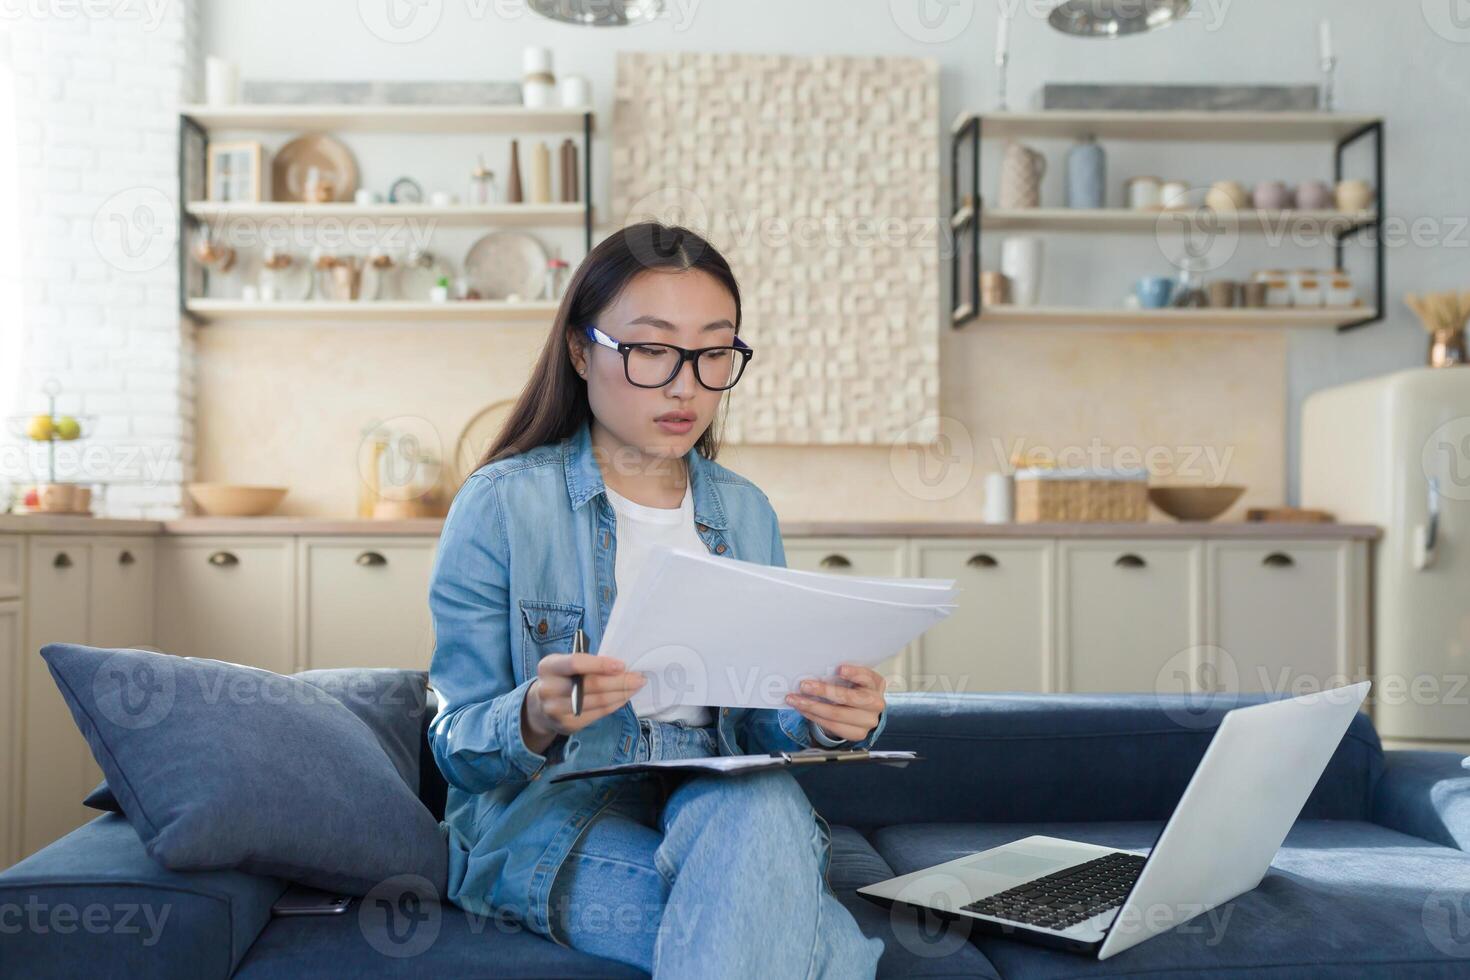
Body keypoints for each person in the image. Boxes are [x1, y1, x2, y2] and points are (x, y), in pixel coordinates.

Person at [427, 222, 889, 977]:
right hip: (559, 818)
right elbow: (456, 749)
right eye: (651, 350)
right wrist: (538, 713)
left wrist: (824, 715)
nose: (686, 384)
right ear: (582, 351)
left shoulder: (745, 513)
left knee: (765, 803)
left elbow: (759, 722)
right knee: (829, 953)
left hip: (725, 803)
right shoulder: (501, 504)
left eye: (714, 353)